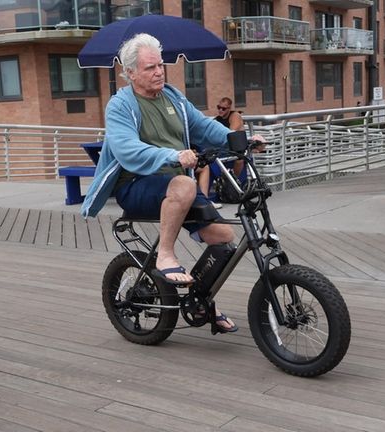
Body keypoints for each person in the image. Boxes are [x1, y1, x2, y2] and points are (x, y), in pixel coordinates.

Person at [80, 34, 265, 333]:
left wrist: (241, 141)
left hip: (179, 185)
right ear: (130, 73)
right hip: (136, 185)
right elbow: (127, 150)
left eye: (160, 65)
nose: (159, 72)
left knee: (223, 238)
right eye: (150, 67)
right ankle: (166, 253)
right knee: (183, 184)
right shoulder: (120, 106)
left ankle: (201, 301)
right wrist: (174, 155)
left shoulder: (174, 97)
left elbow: (203, 127)